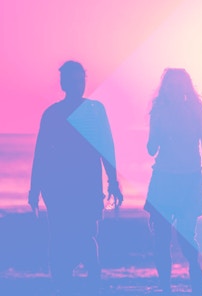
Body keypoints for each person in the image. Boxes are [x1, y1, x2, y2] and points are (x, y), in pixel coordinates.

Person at [28, 60, 123, 295]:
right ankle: (63, 282)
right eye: (71, 80)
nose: (77, 84)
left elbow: (106, 147)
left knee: (87, 235)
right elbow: (40, 153)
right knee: (60, 237)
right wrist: (34, 189)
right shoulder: (52, 114)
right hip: (58, 189)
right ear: (63, 83)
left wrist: (113, 182)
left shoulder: (95, 110)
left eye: (80, 80)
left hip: (88, 188)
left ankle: (92, 276)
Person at [144, 68, 202, 295]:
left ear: (186, 88)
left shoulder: (198, 112)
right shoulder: (159, 112)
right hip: (163, 178)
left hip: (190, 179)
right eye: (171, 86)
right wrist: (158, 133)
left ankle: (195, 269)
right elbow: (151, 148)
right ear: (165, 89)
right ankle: (165, 287)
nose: (175, 90)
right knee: (161, 240)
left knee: (186, 235)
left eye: (180, 85)